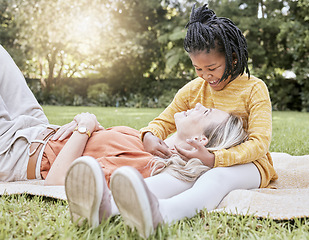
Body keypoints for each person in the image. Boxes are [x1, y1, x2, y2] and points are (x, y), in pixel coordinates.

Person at [108, 4, 278, 238]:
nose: (206, 76)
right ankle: (109, 207)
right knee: (178, 175)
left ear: (233, 57)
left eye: (212, 68)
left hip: (249, 165)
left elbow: (260, 143)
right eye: (198, 68)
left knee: (215, 176)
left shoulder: (253, 89)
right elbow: (164, 120)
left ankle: (163, 215)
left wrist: (215, 159)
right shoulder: (194, 89)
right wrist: (149, 135)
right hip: (201, 157)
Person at [64, 104, 247, 227]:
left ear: (200, 140)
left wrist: (84, 128)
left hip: (41, 145)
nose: (198, 104)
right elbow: (167, 114)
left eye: (206, 112)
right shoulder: (147, 141)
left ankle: (110, 207)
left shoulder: (148, 161)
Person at [0, 45, 52, 182]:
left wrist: (84, 128)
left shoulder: (112, 168)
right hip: (41, 130)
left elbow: (58, 179)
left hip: (15, 155)